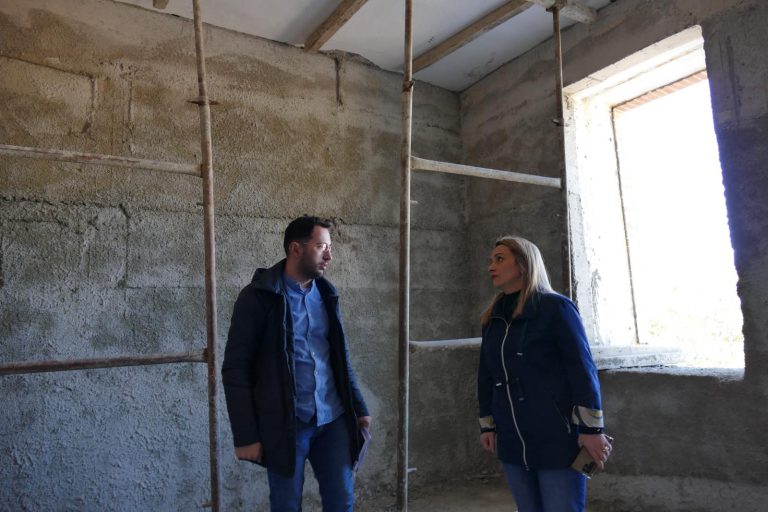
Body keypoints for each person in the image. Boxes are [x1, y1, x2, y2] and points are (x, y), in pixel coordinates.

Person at [222, 215, 371, 512]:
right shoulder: (259, 297)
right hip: (286, 425)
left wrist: (360, 408)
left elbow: (340, 358)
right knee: (286, 505)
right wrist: (246, 434)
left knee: (342, 501)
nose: (329, 255)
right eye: (321, 246)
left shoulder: (327, 294)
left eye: (330, 247)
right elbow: (236, 370)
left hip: (333, 419)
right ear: (296, 249)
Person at [477, 236, 611, 512]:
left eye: (500, 259)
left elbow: (582, 371)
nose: (491, 266)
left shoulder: (555, 308)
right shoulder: (493, 318)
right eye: (491, 260)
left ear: (523, 264)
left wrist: (592, 430)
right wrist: (487, 424)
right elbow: (487, 375)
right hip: (512, 439)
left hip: (556, 437)